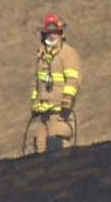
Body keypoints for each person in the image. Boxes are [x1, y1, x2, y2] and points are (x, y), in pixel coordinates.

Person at [27, 12, 81, 153]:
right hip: (43, 113)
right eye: (49, 32)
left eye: (56, 32)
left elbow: (73, 80)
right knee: (39, 148)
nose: (52, 36)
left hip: (60, 114)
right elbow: (36, 83)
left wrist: (67, 99)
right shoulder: (41, 55)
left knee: (58, 149)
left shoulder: (68, 53)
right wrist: (34, 103)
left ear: (61, 33)